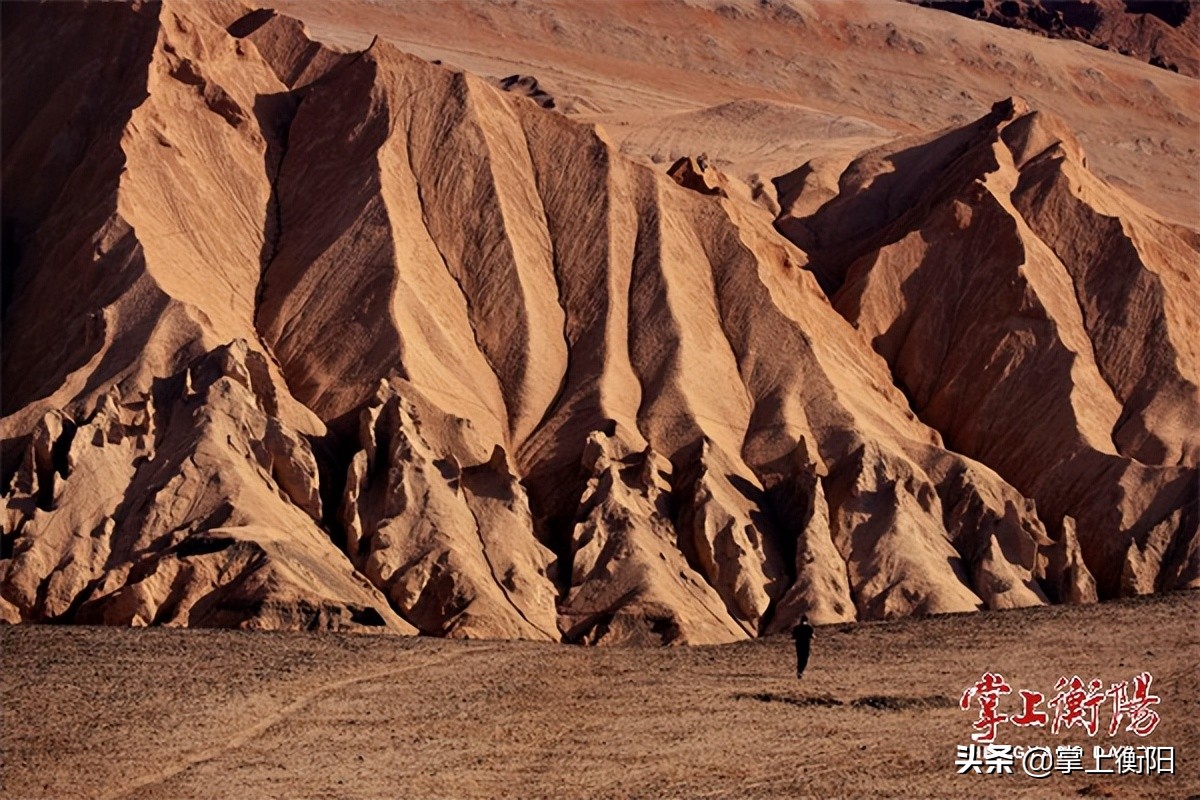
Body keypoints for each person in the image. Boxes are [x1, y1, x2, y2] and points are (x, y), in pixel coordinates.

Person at [792, 614, 814, 679]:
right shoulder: (809, 627)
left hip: (799, 644)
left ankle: (799, 671)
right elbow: (812, 636)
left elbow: (793, 636)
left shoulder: (796, 628)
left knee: (800, 658)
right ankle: (801, 670)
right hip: (806, 645)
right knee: (805, 658)